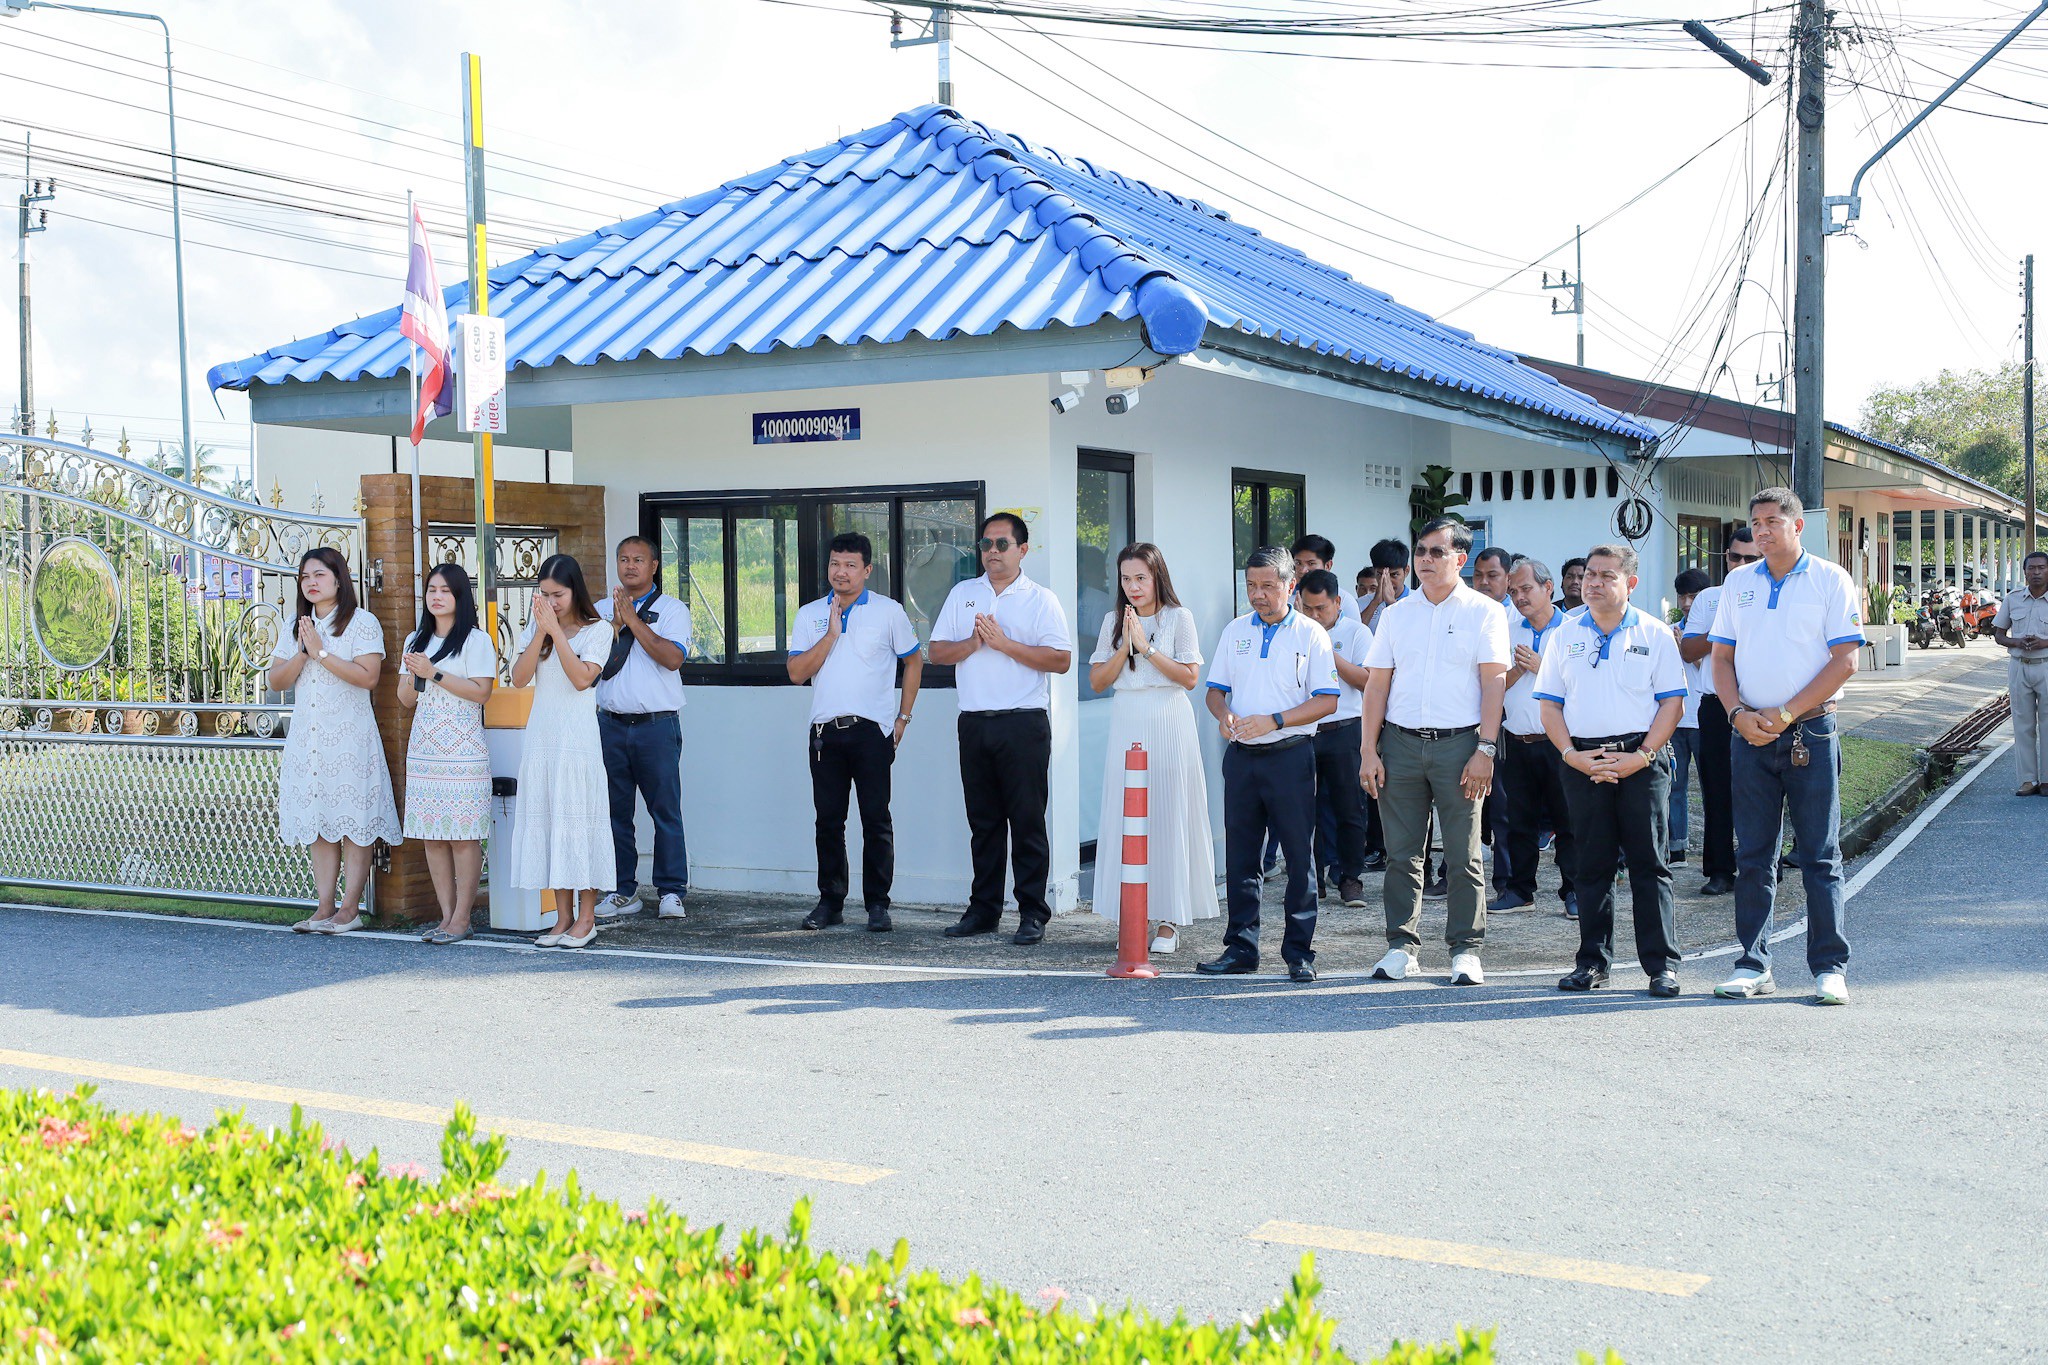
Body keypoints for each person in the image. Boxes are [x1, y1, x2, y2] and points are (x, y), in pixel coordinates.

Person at [1709, 488, 1862, 1005]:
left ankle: (1829, 967)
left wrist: (1787, 713)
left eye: (1772, 521)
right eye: (1756, 522)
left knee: (1819, 854)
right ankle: (1752, 963)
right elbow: (1721, 659)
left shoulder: (1830, 579)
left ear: (1797, 526)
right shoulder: (1738, 582)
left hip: (1809, 732)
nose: (1762, 530)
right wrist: (1737, 714)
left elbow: (1845, 660)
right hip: (1749, 732)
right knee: (1754, 854)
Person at [1359, 518, 1510, 986]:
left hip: (1461, 745)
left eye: (1436, 552)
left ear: (1460, 559)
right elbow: (1377, 685)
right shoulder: (1397, 614)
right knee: (1401, 854)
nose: (1425, 559)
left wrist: (1485, 748)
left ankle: (1466, 949)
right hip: (1400, 744)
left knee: (1463, 854)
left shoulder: (1485, 612)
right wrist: (1368, 750)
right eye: (1421, 551)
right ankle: (1401, 947)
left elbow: (1494, 683)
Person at [1536, 544, 1688, 997]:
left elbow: (1672, 704)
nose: (1594, 583)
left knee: (1649, 865)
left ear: (1630, 583)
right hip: (1583, 761)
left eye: (1607, 576)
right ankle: (1592, 963)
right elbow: (1550, 706)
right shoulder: (1564, 635)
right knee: (1591, 864)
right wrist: (1572, 756)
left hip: (1641, 759)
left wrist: (1642, 756)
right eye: (1590, 575)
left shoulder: (1654, 633)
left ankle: (1661, 967)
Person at [930, 512, 1073, 945]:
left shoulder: (1041, 599)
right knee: (984, 823)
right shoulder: (963, 593)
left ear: (1022, 550)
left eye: (1002, 544)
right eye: (986, 544)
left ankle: (1032, 913)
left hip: (1022, 723)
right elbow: (937, 652)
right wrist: (974, 643)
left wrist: (1004, 644)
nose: (992, 552)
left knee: (1027, 822)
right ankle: (984, 910)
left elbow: (1061, 660)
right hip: (975, 722)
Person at [1199, 547, 1339, 982]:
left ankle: (1299, 952)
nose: (1257, 594)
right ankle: (1241, 948)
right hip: (1242, 758)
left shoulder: (1311, 634)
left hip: (1290, 756)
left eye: (1267, 586)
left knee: (1298, 856)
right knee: (1241, 855)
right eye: (1251, 585)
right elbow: (1215, 691)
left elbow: (1327, 701)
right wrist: (1224, 715)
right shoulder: (1235, 630)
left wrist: (1275, 720)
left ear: (1290, 585)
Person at [787, 532, 924, 933]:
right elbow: (797, 673)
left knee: (876, 820)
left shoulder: (888, 611)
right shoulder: (810, 614)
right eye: (835, 563)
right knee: (828, 822)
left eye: (850, 565)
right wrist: (830, 634)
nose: (841, 572)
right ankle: (830, 902)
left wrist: (902, 718)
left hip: (871, 733)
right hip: (824, 733)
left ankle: (878, 905)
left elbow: (914, 661)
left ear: (867, 570)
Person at [1086, 542, 1219, 951]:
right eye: (1126, 578)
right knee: (1129, 815)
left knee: (1167, 811)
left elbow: (1190, 678)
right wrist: (1125, 645)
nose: (1133, 586)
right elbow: (1098, 681)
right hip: (1128, 717)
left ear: (1157, 576)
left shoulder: (1179, 617)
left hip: (1169, 717)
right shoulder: (1113, 620)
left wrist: (1147, 647)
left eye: (1141, 578)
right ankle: (1132, 916)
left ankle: (1168, 920)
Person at [271, 547, 402, 935]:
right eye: (305, 577)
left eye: (319, 575)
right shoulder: (296, 624)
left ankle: (349, 909)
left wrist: (322, 652)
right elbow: (276, 680)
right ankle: (324, 905)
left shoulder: (362, 623)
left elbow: (368, 677)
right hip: (309, 740)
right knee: (319, 821)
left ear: (339, 580)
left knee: (353, 821)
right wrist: (303, 653)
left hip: (350, 739)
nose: (311, 583)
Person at [507, 554, 617, 949]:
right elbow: (519, 679)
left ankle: (587, 919)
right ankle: (562, 917)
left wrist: (556, 632)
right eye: (544, 594)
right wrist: (542, 633)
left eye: (558, 595)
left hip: (578, 744)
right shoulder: (536, 630)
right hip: (542, 740)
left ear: (575, 591)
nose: (551, 602)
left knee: (580, 825)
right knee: (552, 824)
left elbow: (581, 679)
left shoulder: (598, 630)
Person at [396, 563, 497, 945]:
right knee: (433, 835)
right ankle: (445, 916)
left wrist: (434, 672)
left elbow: (481, 693)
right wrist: (414, 675)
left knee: (463, 836)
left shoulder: (476, 640)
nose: (436, 597)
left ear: (459, 597)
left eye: (445, 591)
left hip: (463, 751)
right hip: (425, 750)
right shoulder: (415, 639)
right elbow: (405, 699)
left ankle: (462, 917)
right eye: (431, 590)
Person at [594, 536, 692, 923]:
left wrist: (632, 620)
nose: (630, 566)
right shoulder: (600, 611)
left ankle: (671, 891)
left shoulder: (672, 609)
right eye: (623, 559)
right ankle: (622, 890)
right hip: (610, 724)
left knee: (665, 810)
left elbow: (672, 658)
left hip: (657, 726)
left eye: (638, 559)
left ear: (654, 566)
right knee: (615, 812)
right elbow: (592, 665)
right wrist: (614, 624)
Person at [1493, 557, 1577, 918]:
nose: (1519, 598)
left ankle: (1574, 891)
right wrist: (1519, 669)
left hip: (1561, 743)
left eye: (1526, 589)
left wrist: (1542, 669)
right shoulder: (1507, 630)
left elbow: (1583, 687)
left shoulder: (1575, 630)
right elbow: (1494, 685)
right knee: (1518, 821)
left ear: (1548, 587)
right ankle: (1519, 890)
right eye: (1513, 591)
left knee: (1569, 820)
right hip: (1518, 740)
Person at [1679, 528, 1760, 897]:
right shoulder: (1709, 598)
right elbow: (1689, 650)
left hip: (1760, 703)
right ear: (1725, 557)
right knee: (1716, 788)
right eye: (1735, 557)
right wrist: (1722, 630)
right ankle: (1719, 869)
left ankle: (1762, 865)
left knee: (1761, 790)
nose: (1741, 564)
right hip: (1715, 707)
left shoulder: (1770, 593)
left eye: (1750, 558)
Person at [1295, 569, 1372, 910]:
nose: (1314, 616)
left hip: (1344, 729)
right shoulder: (1293, 632)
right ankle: (1311, 880)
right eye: (1308, 608)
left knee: (1349, 807)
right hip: (1303, 730)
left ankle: (1350, 878)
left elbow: (1367, 680)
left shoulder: (1357, 632)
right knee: (1303, 810)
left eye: (1321, 609)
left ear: (1338, 602)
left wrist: (1328, 652)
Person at [1355, 539, 1411, 870]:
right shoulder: (1363, 603)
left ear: (1407, 572)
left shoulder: (1416, 604)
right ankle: (1376, 845)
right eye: (1379, 574)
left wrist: (1391, 606)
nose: (1386, 581)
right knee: (1376, 778)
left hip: (1403, 706)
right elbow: (1353, 632)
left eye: (1394, 575)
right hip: (1373, 701)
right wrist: (1377, 600)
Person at [1991, 550, 2048, 794]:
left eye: (2041, 568)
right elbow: (1999, 634)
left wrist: (2044, 642)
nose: (2036, 572)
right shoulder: (2013, 598)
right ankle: (2028, 780)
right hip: (2019, 666)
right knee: (2022, 724)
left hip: (2046, 665)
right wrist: (2017, 642)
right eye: (2031, 568)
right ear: (2024, 572)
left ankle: (2046, 780)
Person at [1667, 568, 1712, 863]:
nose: (1686, 603)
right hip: (1675, 721)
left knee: (1712, 788)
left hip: (1704, 721)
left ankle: (1715, 850)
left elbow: (1713, 673)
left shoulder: (1716, 630)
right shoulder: (1668, 630)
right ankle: (1677, 848)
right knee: (1675, 786)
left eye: (1693, 596)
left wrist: (1688, 650)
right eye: (1682, 596)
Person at [1290, 534, 1358, 618]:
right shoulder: (1285, 596)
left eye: (1311, 563)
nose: (1303, 570)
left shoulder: (1345, 601)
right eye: (1298, 563)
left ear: (1328, 566)